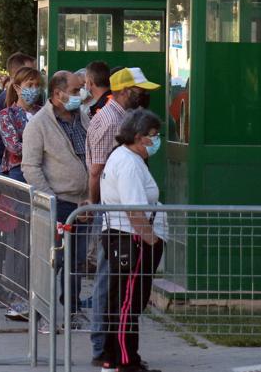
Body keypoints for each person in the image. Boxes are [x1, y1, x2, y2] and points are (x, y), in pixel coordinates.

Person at [86, 67, 159, 366]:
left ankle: (114, 352)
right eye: (140, 91)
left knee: (120, 295)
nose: (144, 97)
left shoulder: (128, 149)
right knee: (116, 294)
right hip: (125, 235)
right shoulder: (111, 127)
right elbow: (96, 171)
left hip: (123, 232)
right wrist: (152, 239)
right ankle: (110, 352)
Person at [99, 109, 165, 372]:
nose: (156, 140)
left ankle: (116, 357)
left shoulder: (127, 158)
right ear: (138, 137)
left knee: (124, 300)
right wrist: (152, 241)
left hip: (130, 238)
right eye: (153, 136)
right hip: (131, 239)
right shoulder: (127, 162)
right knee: (127, 301)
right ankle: (125, 361)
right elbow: (134, 210)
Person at [22, 70, 89, 326]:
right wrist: (50, 199)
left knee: (76, 261)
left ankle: (73, 309)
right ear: (58, 93)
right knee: (54, 260)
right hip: (58, 202)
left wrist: (91, 195)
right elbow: (31, 166)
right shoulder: (39, 124)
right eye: (74, 90)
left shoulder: (82, 118)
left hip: (83, 202)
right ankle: (42, 310)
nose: (79, 95)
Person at [0, 52, 37, 175]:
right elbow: (14, 146)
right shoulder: (5, 103)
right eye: (29, 71)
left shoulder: (39, 109)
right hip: (11, 167)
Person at [0, 67, 43, 182]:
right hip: (19, 171)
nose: (34, 89)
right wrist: (45, 147)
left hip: (45, 169)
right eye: (30, 85)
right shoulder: (6, 115)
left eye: (37, 85)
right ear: (17, 88)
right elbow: (14, 147)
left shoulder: (44, 112)